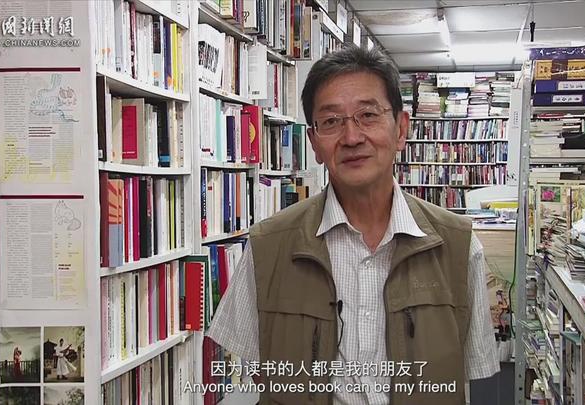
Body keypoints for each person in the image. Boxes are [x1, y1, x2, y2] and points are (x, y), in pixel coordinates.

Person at [207, 45, 499, 404]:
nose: (351, 137)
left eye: (368, 115)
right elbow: (259, 370)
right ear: (314, 143)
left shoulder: (457, 247)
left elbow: (463, 378)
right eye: (331, 121)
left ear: (401, 130)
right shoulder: (269, 247)